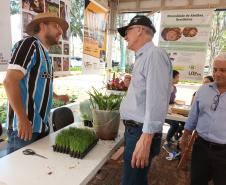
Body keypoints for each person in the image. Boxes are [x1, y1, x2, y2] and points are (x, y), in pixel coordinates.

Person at [3, 12, 69, 154]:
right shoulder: (29, 44)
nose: (60, 31)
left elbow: (38, 83)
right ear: (43, 26)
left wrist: (57, 96)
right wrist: (22, 119)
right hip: (25, 130)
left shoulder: (44, 53)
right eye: (56, 26)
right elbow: (9, 81)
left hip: (41, 127)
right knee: (21, 175)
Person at [118, 15, 172, 185]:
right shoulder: (144, 56)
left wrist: (146, 138)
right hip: (137, 131)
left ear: (140, 29)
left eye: (127, 32)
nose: (125, 37)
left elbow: (157, 99)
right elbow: (146, 95)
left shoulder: (154, 55)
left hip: (141, 132)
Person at [180, 53, 226, 185]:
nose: (217, 74)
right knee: (196, 181)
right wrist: (184, 137)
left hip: (224, 152)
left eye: (223, 70)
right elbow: (193, 117)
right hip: (201, 148)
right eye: (215, 70)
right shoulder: (203, 90)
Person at [164, 70, 182, 149]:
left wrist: (175, 102)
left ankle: (176, 136)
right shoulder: (166, 87)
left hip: (170, 110)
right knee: (175, 124)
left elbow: (171, 101)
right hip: (164, 112)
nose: (179, 79)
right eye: (177, 77)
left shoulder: (174, 87)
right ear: (172, 78)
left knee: (181, 122)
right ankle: (167, 141)